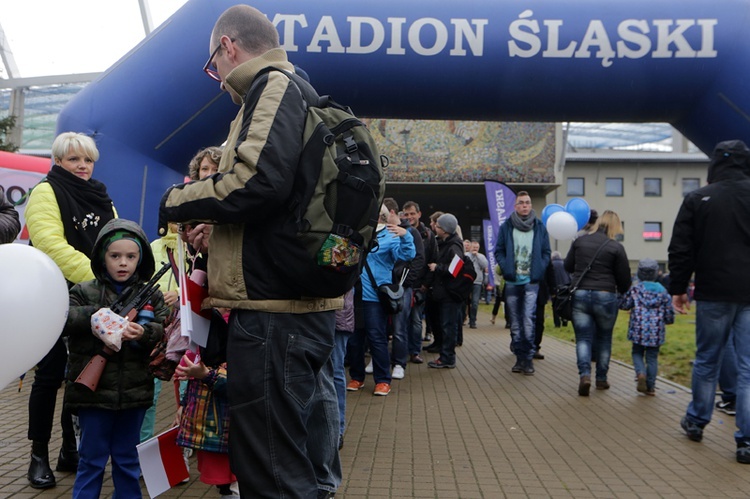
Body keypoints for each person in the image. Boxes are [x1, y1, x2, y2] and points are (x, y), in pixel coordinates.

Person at [158, 6, 346, 495]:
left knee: (272, 471)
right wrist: (218, 234)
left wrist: (175, 201)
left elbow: (256, 184)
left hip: (272, 314)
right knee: (278, 460)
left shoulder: (274, 84)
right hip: (282, 306)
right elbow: (278, 204)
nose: (217, 79)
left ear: (228, 47)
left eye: (213, 65)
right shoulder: (291, 88)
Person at [24, 131, 116, 489]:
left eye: (88, 160)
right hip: (51, 294)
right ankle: (38, 454)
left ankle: (69, 449)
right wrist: (100, 276)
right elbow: (50, 243)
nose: (82, 166)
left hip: (89, 297)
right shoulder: (45, 191)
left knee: (79, 375)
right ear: (59, 161)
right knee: (48, 376)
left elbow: (114, 238)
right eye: (74, 159)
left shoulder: (101, 194)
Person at [63, 218, 168, 497]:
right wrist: (97, 316)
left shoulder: (151, 294)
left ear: (140, 259)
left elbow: (162, 329)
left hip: (134, 395)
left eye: (131, 256)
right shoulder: (84, 291)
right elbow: (65, 319)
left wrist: (142, 333)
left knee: (127, 461)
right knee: (91, 460)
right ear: (102, 257)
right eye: (115, 256)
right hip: (92, 396)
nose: (123, 263)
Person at [668, 139, 750, 463]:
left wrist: (678, 288)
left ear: (715, 164)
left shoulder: (698, 198)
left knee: (707, 360)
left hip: (713, 291)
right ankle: (746, 441)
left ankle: (696, 421)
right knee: (748, 369)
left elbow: (681, 247)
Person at [347, 204, 415, 395]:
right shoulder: (359, 234)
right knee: (354, 340)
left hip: (374, 297)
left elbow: (407, 255)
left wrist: (406, 236)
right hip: (354, 294)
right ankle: (357, 377)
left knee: (376, 338)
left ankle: (383, 380)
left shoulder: (390, 236)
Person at [564, 210, 631, 396]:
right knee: (604, 338)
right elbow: (625, 280)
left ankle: (584, 375)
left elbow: (568, 266)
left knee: (583, 338)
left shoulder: (580, 241)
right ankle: (601, 379)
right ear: (615, 227)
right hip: (605, 295)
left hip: (581, 294)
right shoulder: (615, 247)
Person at [494, 191, 551, 376]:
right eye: (521, 203)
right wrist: (506, 267)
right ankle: (519, 358)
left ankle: (528, 358)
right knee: (515, 322)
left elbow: (546, 252)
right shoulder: (507, 227)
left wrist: (539, 269)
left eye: (527, 202)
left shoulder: (540, 227)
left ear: (531, 205)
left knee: (528, 319)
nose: (525, 206)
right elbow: (499, 250)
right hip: (512, 281)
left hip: (531, 281)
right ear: (515, 206)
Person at [175, 350, 238, 498]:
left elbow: (243, 386)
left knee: (234, 483)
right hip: (212, 427)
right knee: (225, 484)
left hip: (228, 427)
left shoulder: (241, 341)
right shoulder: (205, 343)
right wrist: (184, 404)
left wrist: (207, 376)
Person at [619, 258, 674, 395]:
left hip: (638, 328)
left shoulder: (636, 289)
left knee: (637, 352)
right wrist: (668, 321)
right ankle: (650, 387)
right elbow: (669, 312)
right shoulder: (663, 291)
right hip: (656, 330)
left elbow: (624, 304)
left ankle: (640, 373)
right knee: (652, 357)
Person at [383, 197, 424, 379]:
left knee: (400, 326)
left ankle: (399, 363)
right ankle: (381, 359)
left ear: (391, 213)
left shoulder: (411, 232)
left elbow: (418, 259)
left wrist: (407, 282)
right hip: (384, 285)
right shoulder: (383, 231)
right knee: (380, 326)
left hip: (402, 287)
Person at [426, 213, 464, 369]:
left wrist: (438, 268)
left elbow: (456, 267)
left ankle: (447, 358)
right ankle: (445, 355)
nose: (435, 227)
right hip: (445, 292)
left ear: (446, 229)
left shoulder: (453, 246)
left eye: (439, 226)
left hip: (449, 294)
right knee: (445, 325)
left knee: (448, 326)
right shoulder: (444, 242)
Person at [402, 201, 438, 364]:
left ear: (419, 214)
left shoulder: (428, 235)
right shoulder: (399, 231)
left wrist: (425, 285)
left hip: (419, 286)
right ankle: (400, 352)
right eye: (406, 214)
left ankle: (414, 351)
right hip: (402, 285)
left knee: (416, 321)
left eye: (412, 214)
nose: (409, 217)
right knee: (400, 322)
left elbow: (432, 260)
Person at [467, 241, 488, 329]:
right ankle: (465, 317)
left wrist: (477, 256)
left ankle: (473, 321)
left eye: (477, 248)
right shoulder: (466, 255)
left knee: (475, 302)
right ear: (470, 247)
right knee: (466, 302)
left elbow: (485, 266)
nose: (475, 249)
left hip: (477, 282)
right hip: (467, 281)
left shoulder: (481, 256)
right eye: (474, 247)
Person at [547, 251, 571, 327]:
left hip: (555, 287)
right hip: (565, 286)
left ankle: (557, 323)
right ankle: (565, 321)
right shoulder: (564, 263)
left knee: (555, 305)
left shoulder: (551, 265)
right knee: (565, 303)